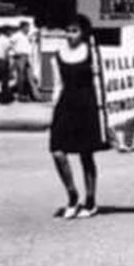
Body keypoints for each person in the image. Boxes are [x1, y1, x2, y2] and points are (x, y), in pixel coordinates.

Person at [49, 14, 109, 219]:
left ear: (83, 33)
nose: (69, 35)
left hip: (87, 104)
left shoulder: (91, 52)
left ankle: (90, 200)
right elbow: (58, 85)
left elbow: (100, 83)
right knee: (57, 151)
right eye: (67, 30)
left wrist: (103, 111)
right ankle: (72, 196)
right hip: (66, 104)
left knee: (86, 154)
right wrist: (54, 110)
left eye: (74, 31)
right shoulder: (57, 54)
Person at [11, 21, 41, 102]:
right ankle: (21, 96)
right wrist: (14, 53)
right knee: (21, 77)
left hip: (27, 57)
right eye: (27, 27)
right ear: (22, 27)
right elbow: (10, 44)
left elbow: (34, 35)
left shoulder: (27, 36)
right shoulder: (16, 36)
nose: (28, 29)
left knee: (30, 76)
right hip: (20, 56)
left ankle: (35, 95)